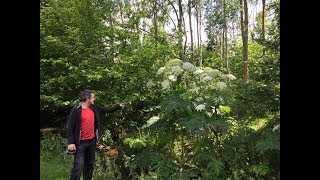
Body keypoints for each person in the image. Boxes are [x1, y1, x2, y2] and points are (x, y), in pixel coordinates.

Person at [67, 89, 125, 180]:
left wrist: (118, 106)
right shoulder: (76, 110)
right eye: (93, 97)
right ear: (87, 98)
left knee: (89, 166)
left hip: (91, 142)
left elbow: (107, 109)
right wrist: (71, 142)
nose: (94, 98)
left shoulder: (95, 108)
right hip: (80, 144)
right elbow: (70, 128)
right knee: (78, 167)